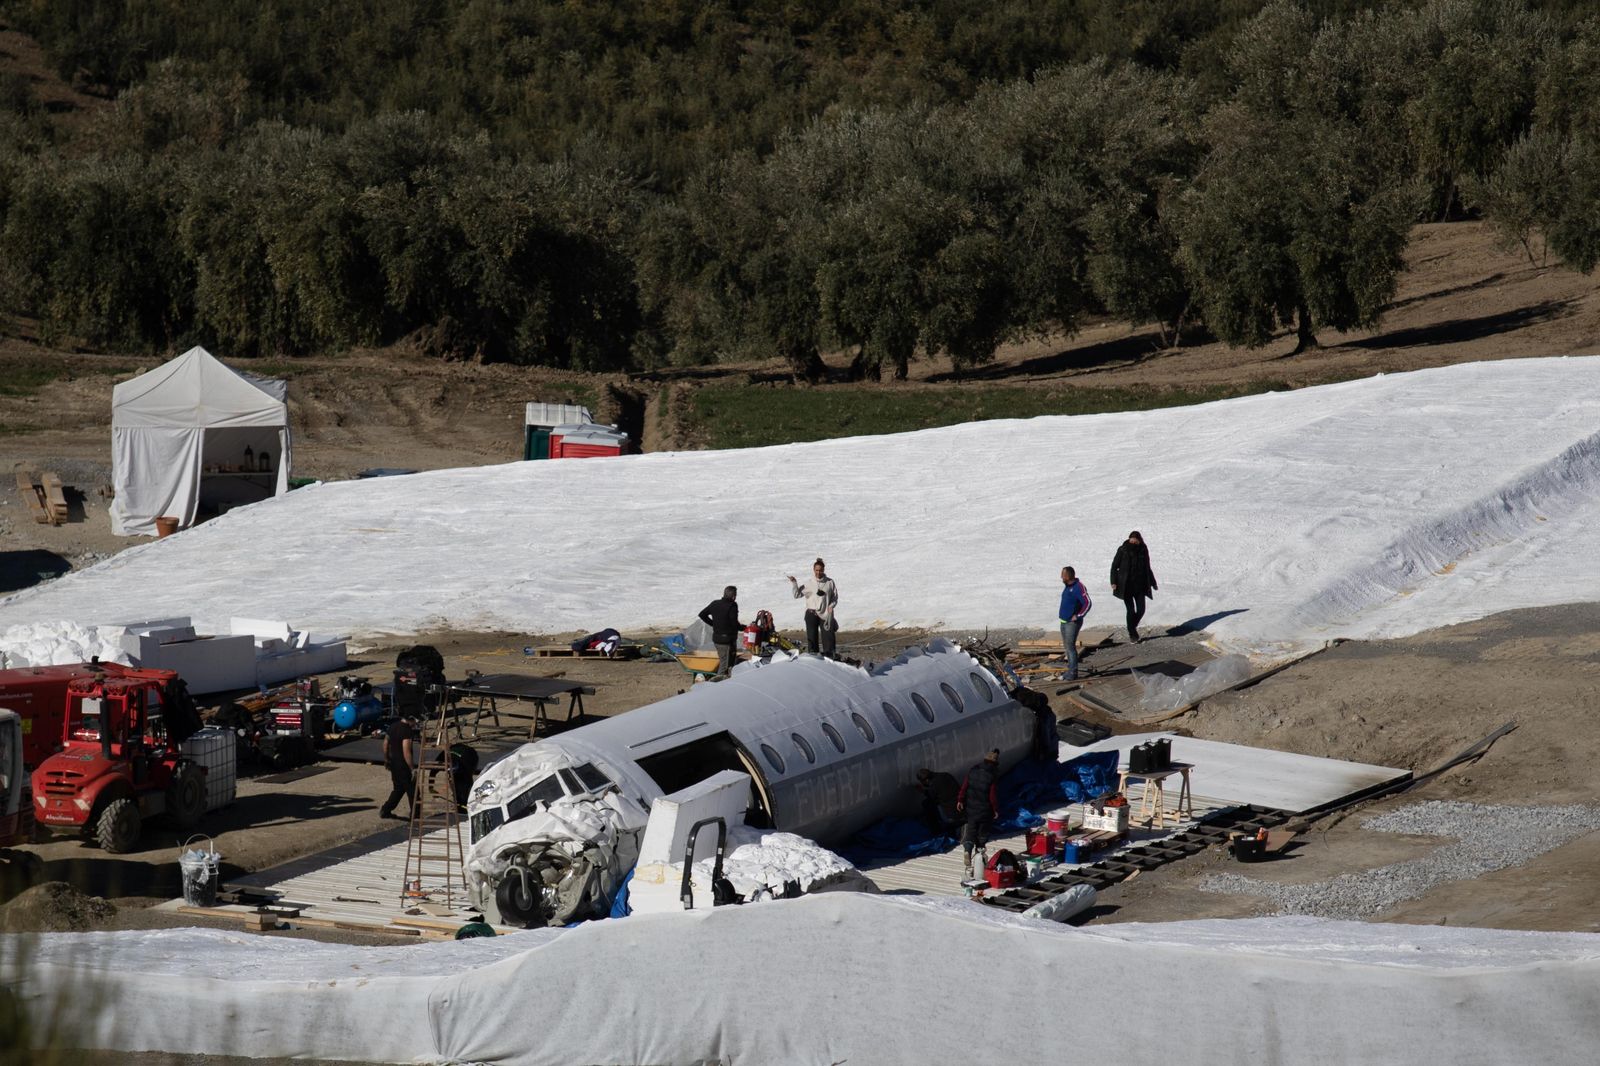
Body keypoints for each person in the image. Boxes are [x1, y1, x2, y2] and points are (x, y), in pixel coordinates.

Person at [956, 749, 1002, 875]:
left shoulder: (973, 770)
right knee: (982, 833)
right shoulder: (992, 775)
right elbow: (992, 796)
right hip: (984, 809)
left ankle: (967, 850)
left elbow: (964, 786)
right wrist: (995, 809)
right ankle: (979, 857)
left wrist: (960, 800)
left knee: (970, 830)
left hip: (971, 808)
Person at [1109, 530, 1158, 644]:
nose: (1133, 542)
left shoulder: (1143, 550)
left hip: (1140, 585)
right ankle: (1132, 634)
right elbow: (1114, 566)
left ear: (1139, 540)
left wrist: (1153, 582)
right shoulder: (1123, 549)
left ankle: (1131, 627)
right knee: (1130, 610)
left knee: (1141, 610)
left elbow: (1147, 568)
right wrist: (1113, 581)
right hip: (1125, 585)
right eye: (1131, 540)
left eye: (1135, 541)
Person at [788, 558, 839, 658]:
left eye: (820, 570)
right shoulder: (809, 583)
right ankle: (814, 659)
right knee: (812, 639)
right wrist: (794, 583)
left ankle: (830, 658)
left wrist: (831, 606)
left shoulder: (830, 582)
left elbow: (835, 597)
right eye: (816, 570)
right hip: (811, 614)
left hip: (825, 614)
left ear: (823, 570)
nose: (818, 572)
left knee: (828, 638)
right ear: (813, 570)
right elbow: (797, 594)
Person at [378, 712, 420, 820]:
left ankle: (385, 810)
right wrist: (412, 768)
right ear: (411, 719)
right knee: (413, 791)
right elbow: (406, 751)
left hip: (394, 764)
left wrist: (387, 759)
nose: (415, 724)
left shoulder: (392, 726)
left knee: (398, 789)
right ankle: (415, 816)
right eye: (415, 721)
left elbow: (385, 743)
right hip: (404, 766)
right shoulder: (407, 730)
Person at [698, 585, 742, 677]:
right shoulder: (732, 605)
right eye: (735, 595)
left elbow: (702, 614)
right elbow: (734, 623)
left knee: (727, 664)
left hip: (717, 639)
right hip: (727, 641)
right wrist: (743, 628)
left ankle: (727, 683)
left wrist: (713, 624)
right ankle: (717, 687)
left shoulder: (715, 603)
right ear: (734, 596)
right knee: (725, 666)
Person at [1058, 566, 1093, 681]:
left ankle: (1073, 672)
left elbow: (1087, 603)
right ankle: (1070, 669)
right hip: (1064, 621)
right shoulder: (1068, 586)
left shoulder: (1078, 587)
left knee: (1070, 647)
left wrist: (1078, 615)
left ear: (1068, 576)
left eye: (1063, 575)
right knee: (1067, 647)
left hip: (1071, 623)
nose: (1061, 577)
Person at [914, 767, 961, 836]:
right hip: (962, 808)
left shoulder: (933, 785)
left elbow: (931, 795)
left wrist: (922, 791)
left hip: (951, 816)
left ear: (926, 780)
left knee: (926, 804)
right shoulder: (946, 775)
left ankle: (936, 831)